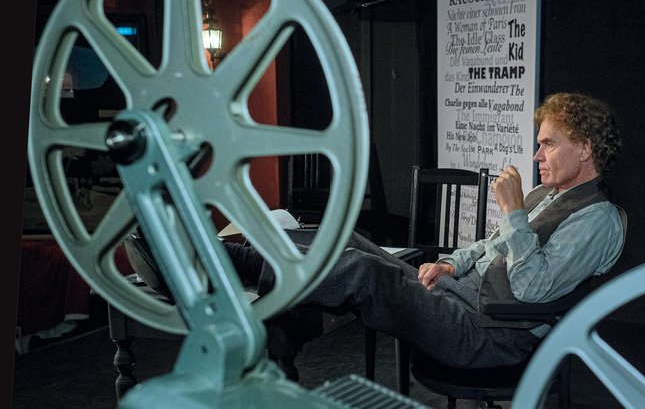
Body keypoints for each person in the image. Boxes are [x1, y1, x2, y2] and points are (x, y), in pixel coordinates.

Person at [236, 92, 624, 369]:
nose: (537, 155)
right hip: (460, 294)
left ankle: (243, 266)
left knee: (364, 271)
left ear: (585, 149)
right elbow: (489, 245)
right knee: (346, 240)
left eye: (548, 144)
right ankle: (254, 267)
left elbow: (531, 289)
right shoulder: (546, 194)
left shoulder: (598, 219)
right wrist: (451, 265)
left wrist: (512, 210)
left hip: (487, 332)